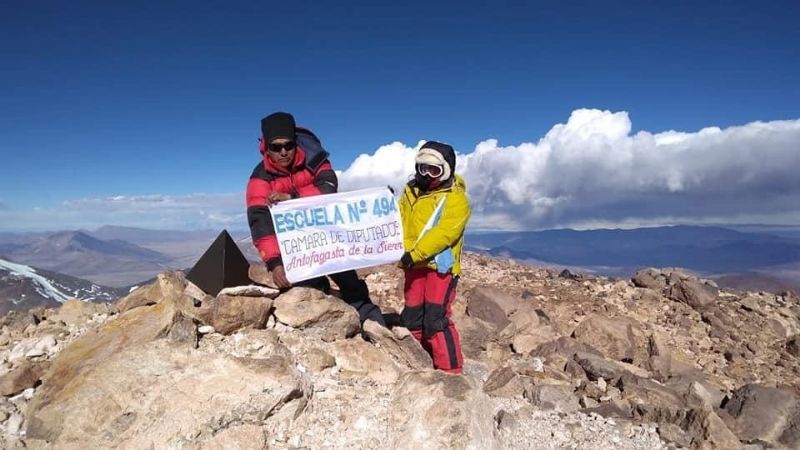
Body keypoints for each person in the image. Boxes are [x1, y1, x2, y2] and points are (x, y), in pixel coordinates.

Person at [246, 112, 386, 326]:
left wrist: (293, 198)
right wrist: (274, 264)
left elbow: (328, 187)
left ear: (295, 142)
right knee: (308, 290)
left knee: (351, 285)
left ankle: (374, 326)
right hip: (297, 249)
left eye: (288, 145)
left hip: (328, 241)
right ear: (266, 147)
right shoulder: (260, 180)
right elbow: (261, 225)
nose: (283, 152)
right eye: (276, 147)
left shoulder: (315, 159)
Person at [398, 141, 471, 374]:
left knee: (435, 319)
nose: (427, 175)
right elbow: (398, 219)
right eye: (422, 168)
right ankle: (420, 362)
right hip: (413, 265)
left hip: (440, 268)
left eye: (434, 170)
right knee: (412, 317)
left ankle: (451, 371)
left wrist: (415, 254)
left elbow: (444, 234)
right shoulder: (410, 192)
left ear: (446, 170)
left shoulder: (456, 199)